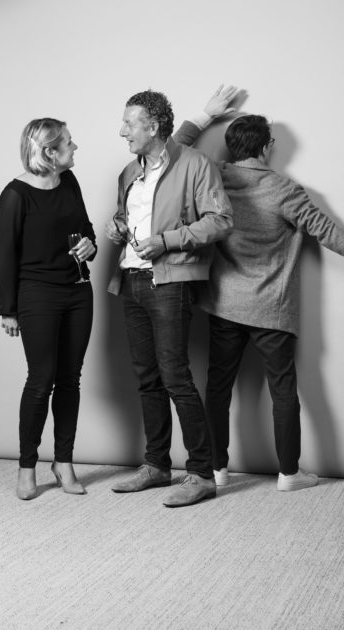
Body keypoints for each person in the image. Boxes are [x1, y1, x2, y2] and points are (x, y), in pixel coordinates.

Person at [176, 113, 344, 490]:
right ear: (266, 147)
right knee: (283, 391)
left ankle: (216, 469)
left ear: (232, 147)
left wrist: (205, 114)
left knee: (218, 389)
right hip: (271, 307)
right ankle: (288, 473)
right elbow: (326, 231)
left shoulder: (214, 176)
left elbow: (173, 154)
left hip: (224, 305)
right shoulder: (285, 191)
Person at [105, 86, 237, 507]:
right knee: (146, 378)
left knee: (175, 376)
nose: (122, 130)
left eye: (129, 123)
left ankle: (201, 474)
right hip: (131, 280)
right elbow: (128, 215)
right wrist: (117, 226)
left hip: (171, 282)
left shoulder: (195, 164)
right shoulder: (129, 172)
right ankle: (157, 465)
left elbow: (221, 220)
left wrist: (167, 241)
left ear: (154, 126)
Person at [0, 118, 97, 500]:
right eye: (69, 142)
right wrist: (8, 309)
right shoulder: (14, 195)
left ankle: (63, 462)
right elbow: (3, 255)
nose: (75, 147)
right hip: (37, 294)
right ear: (50, 152)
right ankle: (27, 467)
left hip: (78, 292)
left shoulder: (69, 182)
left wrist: (90, 244)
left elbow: (86, 228)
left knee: (71, 379)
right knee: (41, 380)